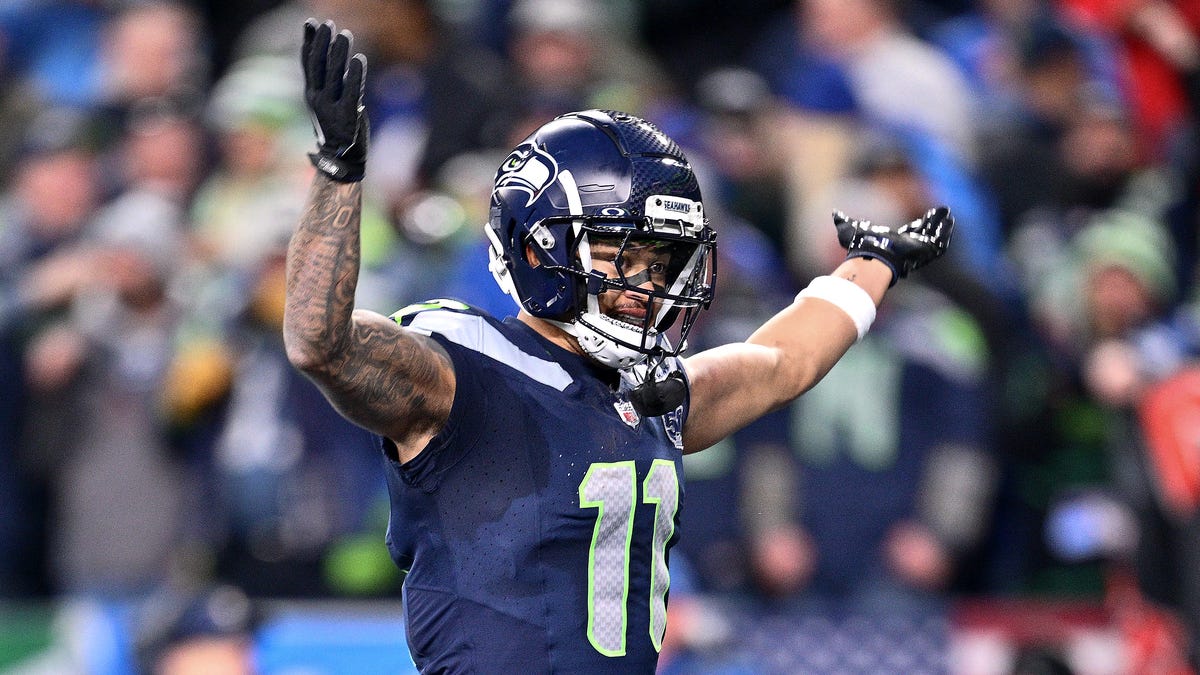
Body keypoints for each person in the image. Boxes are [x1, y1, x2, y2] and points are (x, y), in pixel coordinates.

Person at [284, 19, 954, 673]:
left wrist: (873, 262)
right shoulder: (465, 370)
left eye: (659, 262)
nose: (645, 284)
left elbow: (786, 362)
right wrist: (339, 173)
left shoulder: (653, 395)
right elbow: (320, 343)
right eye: (618, 255)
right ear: (536, 248)